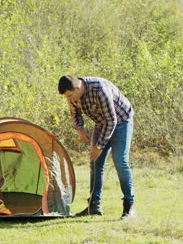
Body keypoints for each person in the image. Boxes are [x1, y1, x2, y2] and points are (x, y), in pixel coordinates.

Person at [58, 75, 136, 219]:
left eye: (70, 95)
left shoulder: (100, 90)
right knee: (95, 162)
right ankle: (94, 206)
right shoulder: (72, 96)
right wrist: (80, 130)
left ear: (77, 87)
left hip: (121, 122)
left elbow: (111, 121)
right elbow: (75, 115)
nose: (69, 99)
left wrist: (99, 146)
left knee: (120, 161)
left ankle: (129, 208)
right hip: (101, 123)